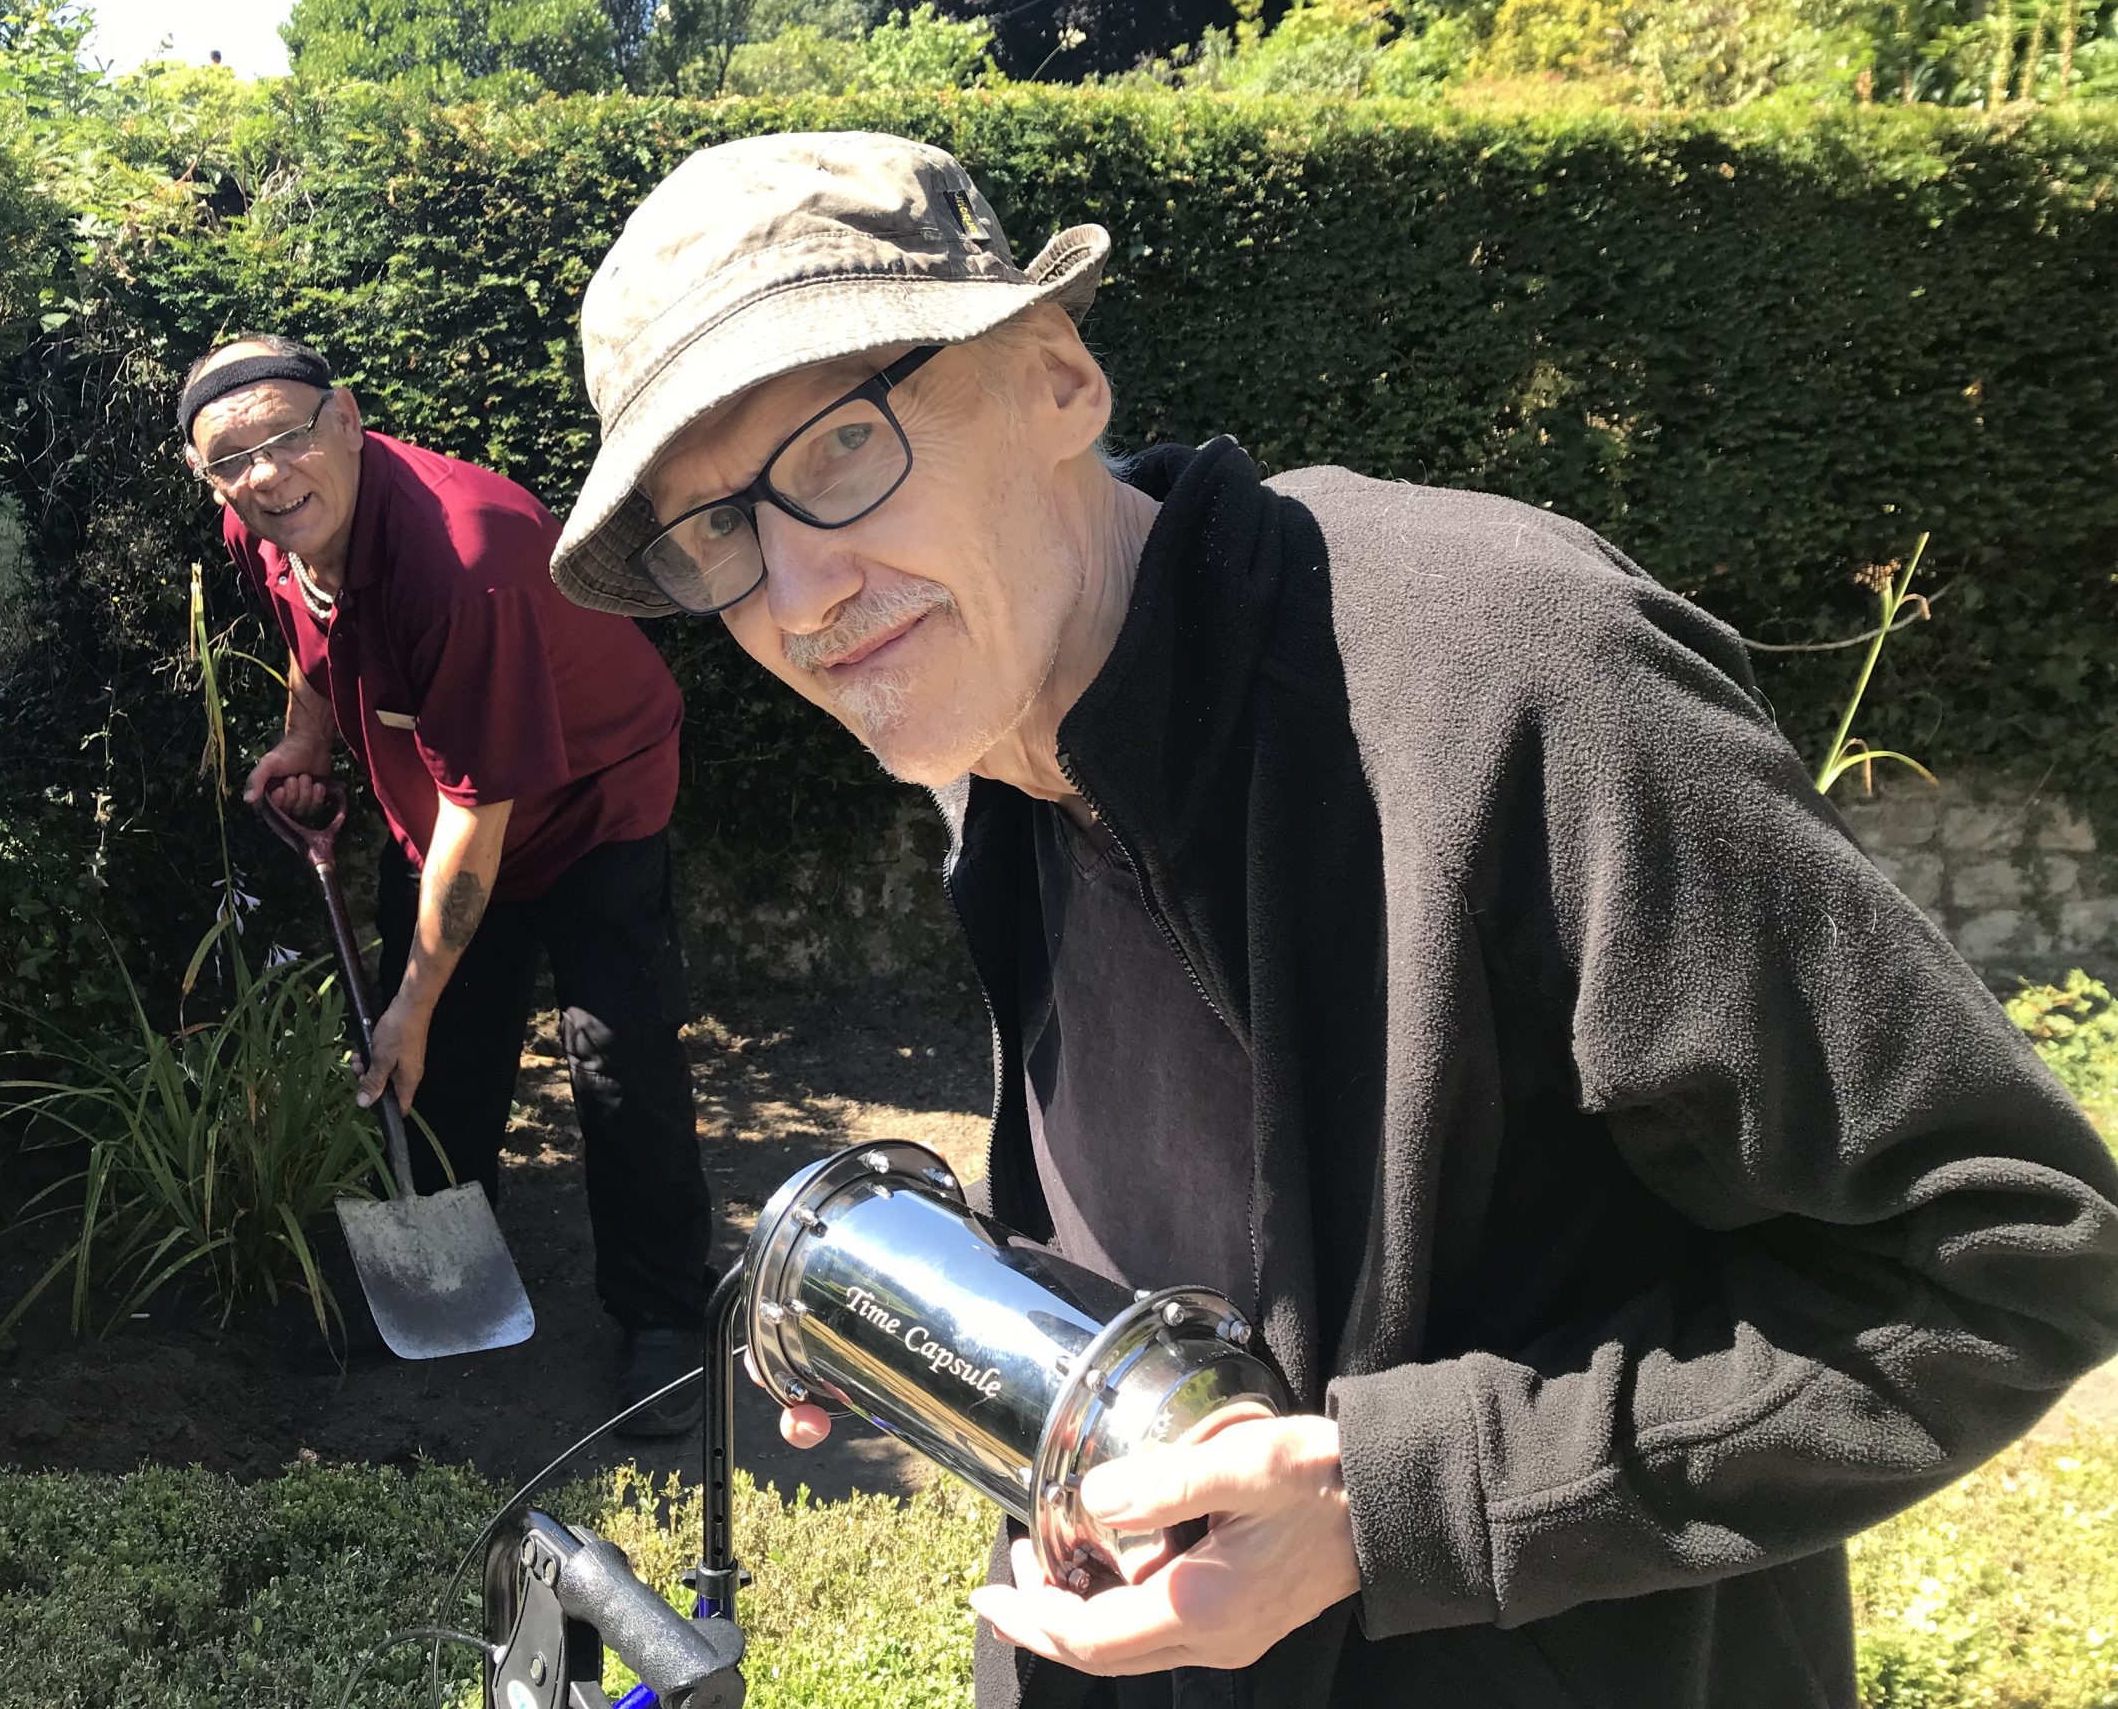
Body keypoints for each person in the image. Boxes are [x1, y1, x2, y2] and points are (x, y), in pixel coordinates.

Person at [545, 132, 2118, 1703]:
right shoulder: (987, 740)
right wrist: (946, 1337)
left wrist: (1385, 1505)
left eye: (837, 451)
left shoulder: (1522, 678)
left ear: (1055, 378)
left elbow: (2020, 1246)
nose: (801, 590)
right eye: (720, 531)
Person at [183, 334, 713, 1434]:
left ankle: (664, 1320)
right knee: (430, 1063)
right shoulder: (265, 518)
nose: (265, 475)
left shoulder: (466, 558)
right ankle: (433, 1283)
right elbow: (311, 625)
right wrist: (307, 739)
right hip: (454, 798)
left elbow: (485, 814)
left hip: (592, 795)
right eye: (230, 461)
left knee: (612, 1055)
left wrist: (412, 1005)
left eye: (285, 437)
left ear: (347, 418)